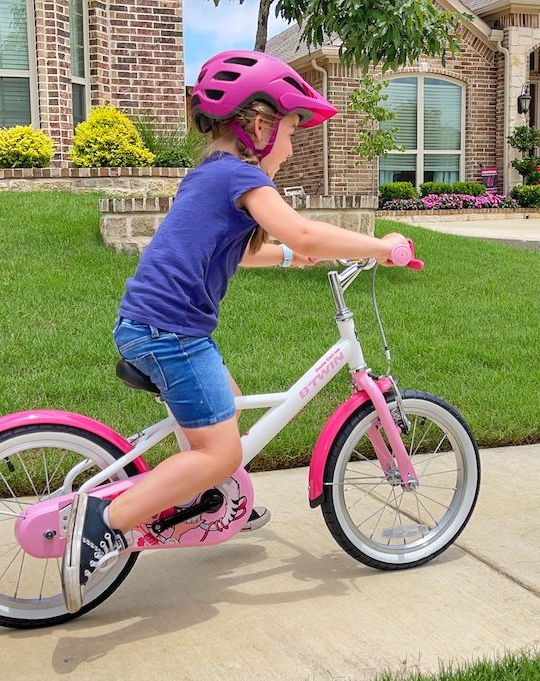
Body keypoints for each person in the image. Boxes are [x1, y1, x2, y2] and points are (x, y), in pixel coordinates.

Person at [61, 49, 410, 612]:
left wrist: (291, 257)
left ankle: (213, 500)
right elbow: (304, 231)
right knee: (220, 451)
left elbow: (241, 252)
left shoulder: (208, 175)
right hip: (170, 332)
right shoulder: (240, 176)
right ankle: (107, 520)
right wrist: (382, 247)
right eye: (291, 132)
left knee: (226, 397)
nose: (291, 148)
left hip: (149, 324)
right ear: (260, 125)